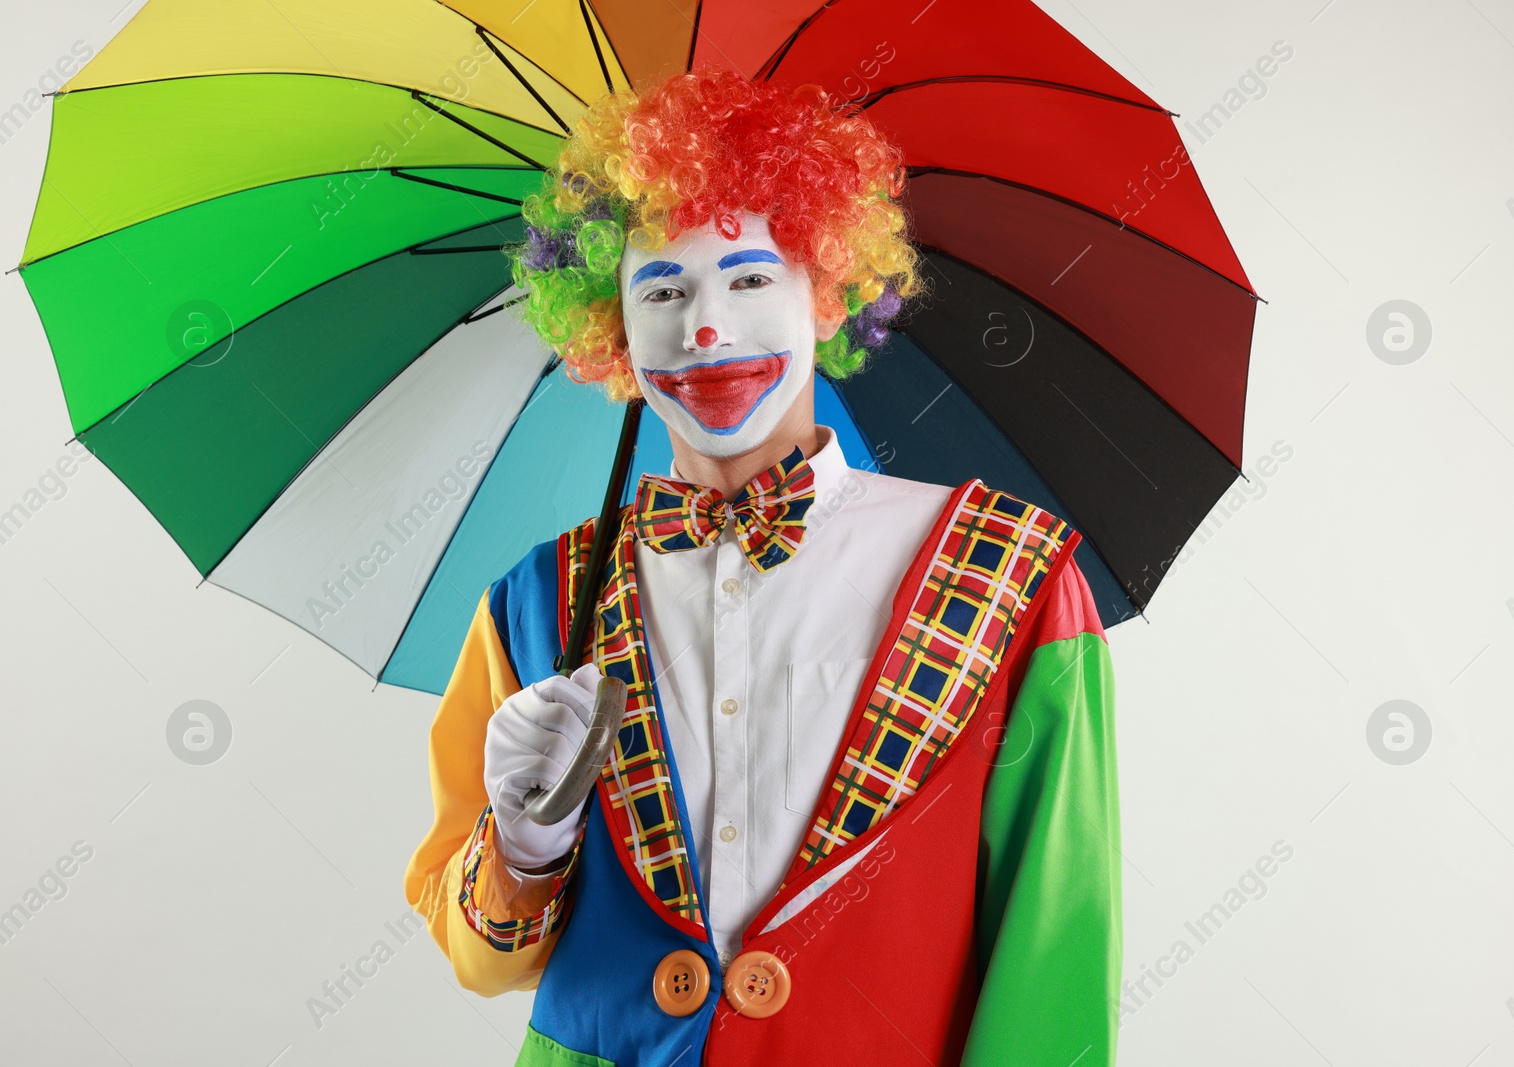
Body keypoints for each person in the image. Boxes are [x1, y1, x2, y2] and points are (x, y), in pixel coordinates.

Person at [404, 70, 1121, 1067]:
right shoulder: (539, 600)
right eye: (662, 288)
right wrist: (519, 851)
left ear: (827, 296)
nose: (705, 326)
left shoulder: (1015, 580)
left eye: (748, 278)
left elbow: (1056, 944)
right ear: (609, 327)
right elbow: (476, 957)